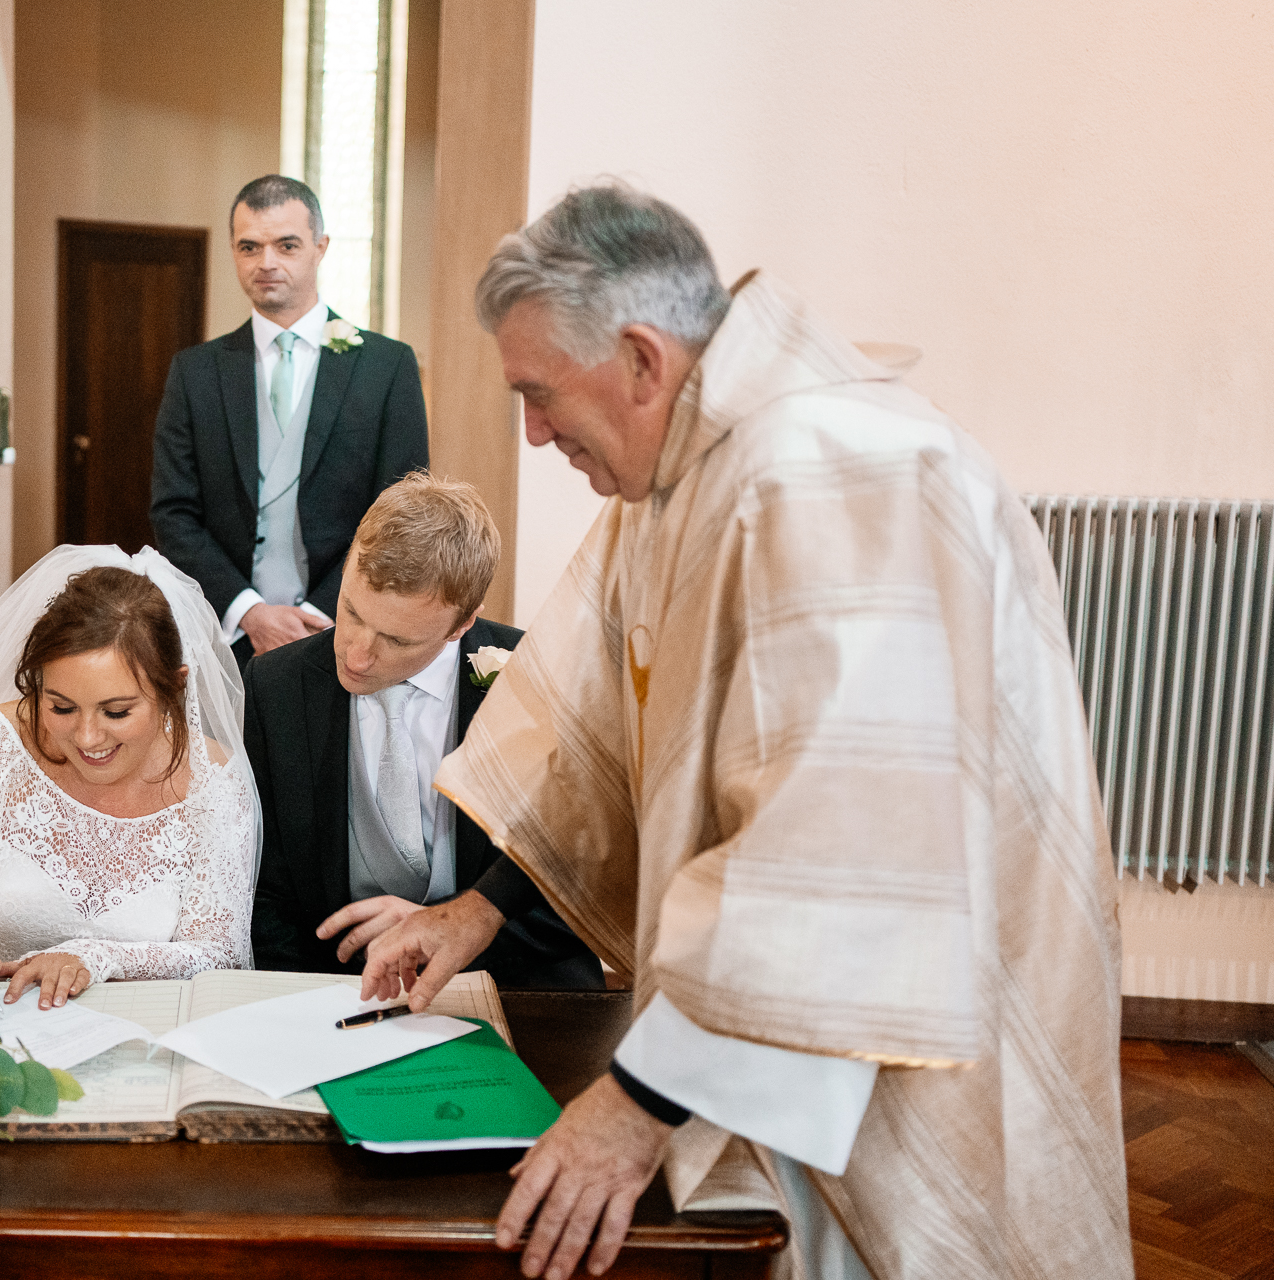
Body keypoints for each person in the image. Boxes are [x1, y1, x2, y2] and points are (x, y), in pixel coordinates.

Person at [359, 184, 1130, 1280]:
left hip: (899, 1045)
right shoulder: (680, 471)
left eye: (538, 393)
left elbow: (841, 840)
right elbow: (589, 730)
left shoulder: (831, 466)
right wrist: (478, 906)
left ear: (639, 357)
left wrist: (634, 1108)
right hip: (764, 1032)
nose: (531, 432)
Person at [245, 473, 600, 988]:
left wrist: (452, 930)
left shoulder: (541, 678)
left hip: (512, 980)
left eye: (397, 639)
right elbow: (265, 894)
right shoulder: (274, 685)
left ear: (462, 624)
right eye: (351, 612)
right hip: (338, 988)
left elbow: (578, 894)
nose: (357, 655)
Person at [0, 546, 258, 1011]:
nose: (87, 737)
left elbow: (220, 954)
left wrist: (93, 957)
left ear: (173, 686)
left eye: (116, 711)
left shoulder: (214, 783)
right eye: (61, 707)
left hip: (147, 1031)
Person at [150, 174, 429, 665]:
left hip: (344, 629)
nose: (267, 263)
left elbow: (401, 515)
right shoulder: (195, 372)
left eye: (287, 245)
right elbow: (173, 512)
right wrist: (250, 611)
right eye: (249, 247)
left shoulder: (387, 367)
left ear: (320, 247)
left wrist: (323, 612)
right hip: (224, 635)